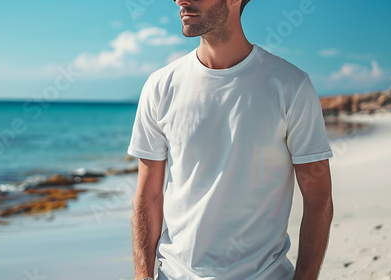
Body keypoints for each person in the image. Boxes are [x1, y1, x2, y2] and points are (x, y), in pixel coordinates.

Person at [127, 0, 334, 279]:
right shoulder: (160, 86)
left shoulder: (291, 86)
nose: (180, 0)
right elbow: (148, 195)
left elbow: (318, 197)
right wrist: (143, 274)